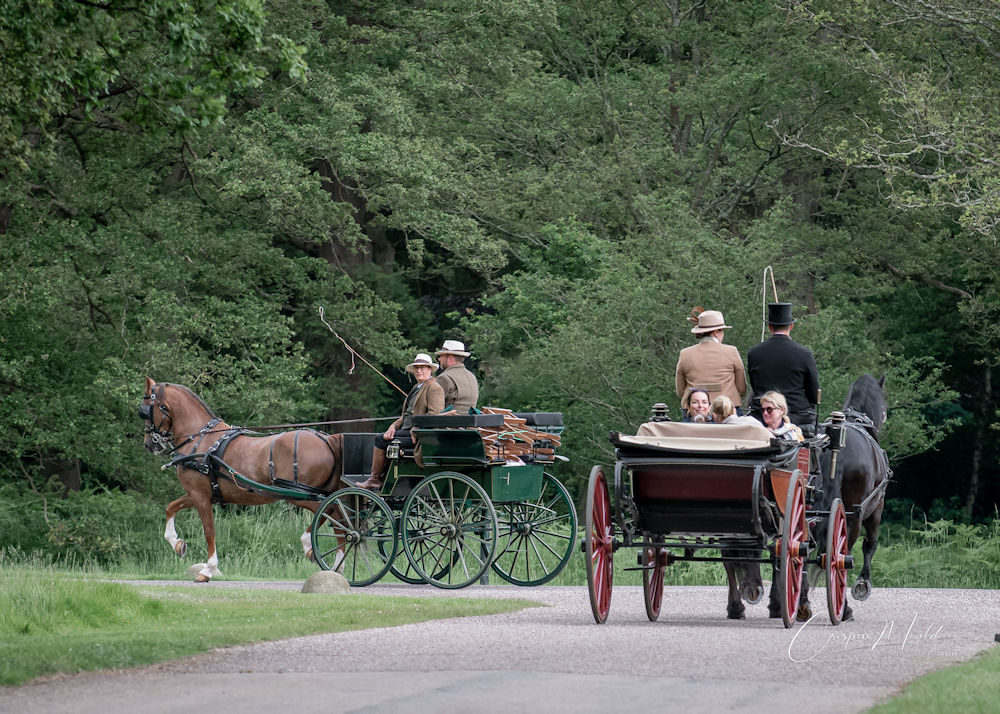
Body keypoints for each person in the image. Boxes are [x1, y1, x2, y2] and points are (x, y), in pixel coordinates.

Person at [358, 353, 444, 490]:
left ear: (430, 369)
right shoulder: (417, 387)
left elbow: (435, 416)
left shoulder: (434, 388)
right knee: (384, 437)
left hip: (420, 436)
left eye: (423, 368)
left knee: (379, 440)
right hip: (406, 431)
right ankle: (382, 478)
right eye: (417, 368)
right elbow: (407, 415)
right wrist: (393, 426)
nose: (419, 371)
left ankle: (374, 479)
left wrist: (416, 428)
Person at [746, 303, 820, 432]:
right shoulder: (804, 354)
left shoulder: (754, 353)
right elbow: (814, 395)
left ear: (770, 327)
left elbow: (755, 386)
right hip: (797, 417)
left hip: (762, 416)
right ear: (791, 326)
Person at [675, 309, 747, 416]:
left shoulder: (685, 354)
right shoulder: (731, 351)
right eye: (722, 331)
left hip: (695, 413)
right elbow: (741, 388)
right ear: (716, 332)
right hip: (727, 411)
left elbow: (680, 390)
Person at [434, 339, 479, 412]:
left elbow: (434, 407)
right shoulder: (472, 377)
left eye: (442, 356)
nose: (439, 359)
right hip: (470, 422)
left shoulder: (444, 378)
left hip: (449, 422)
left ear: (450, 358)